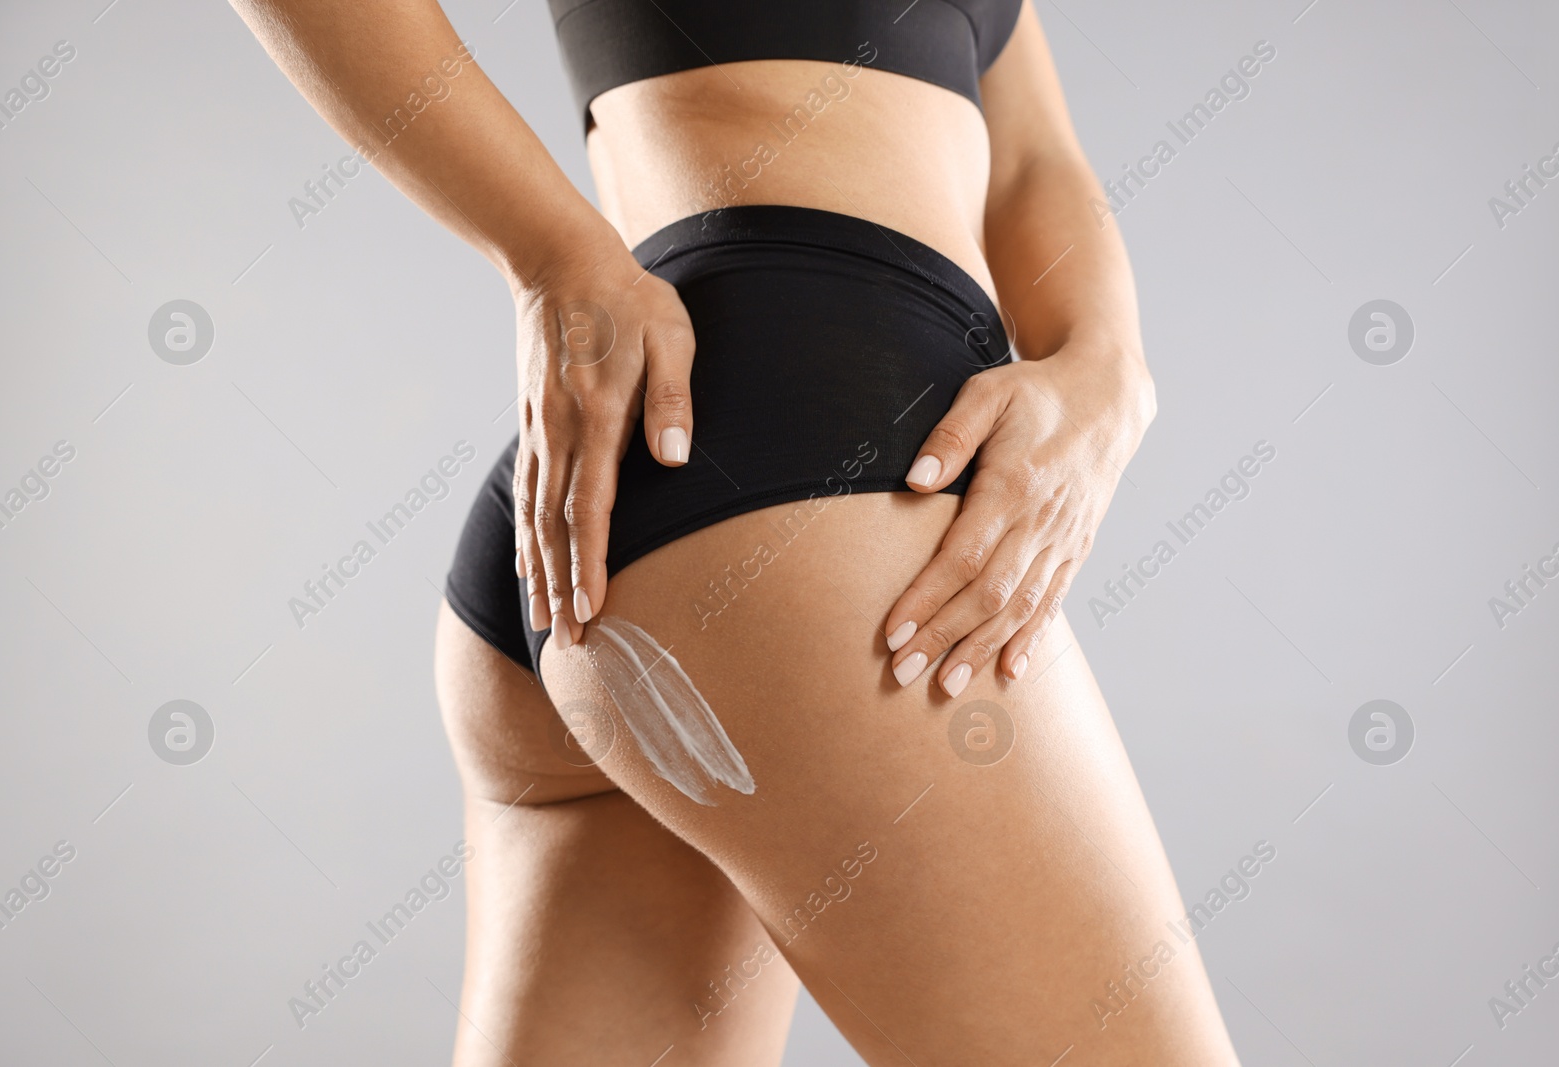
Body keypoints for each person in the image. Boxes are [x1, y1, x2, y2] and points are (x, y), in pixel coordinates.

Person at [231, 0, 1242, 1062]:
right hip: (802, 476)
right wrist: (549, 256)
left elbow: (1031, 159)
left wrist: (1106, 366)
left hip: (685, 503)